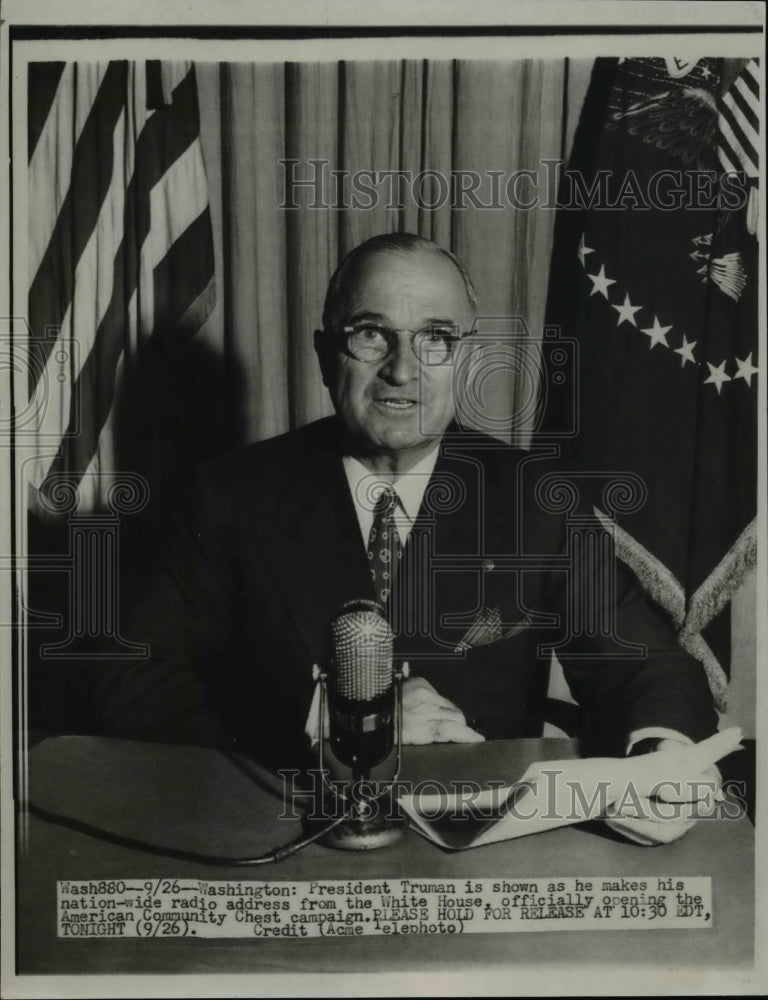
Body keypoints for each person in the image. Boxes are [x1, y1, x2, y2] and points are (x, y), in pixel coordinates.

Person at [93, 232, 721, 845]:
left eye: (437, 339)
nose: (401, 369)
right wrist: (327, 719)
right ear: (323, 352)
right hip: (281, 832)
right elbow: (132, 679)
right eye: (371, 333)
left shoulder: (537, 499)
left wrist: (663, 758)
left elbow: (644, 662)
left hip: (482, 847)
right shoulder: (229, 494)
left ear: (468, 360)